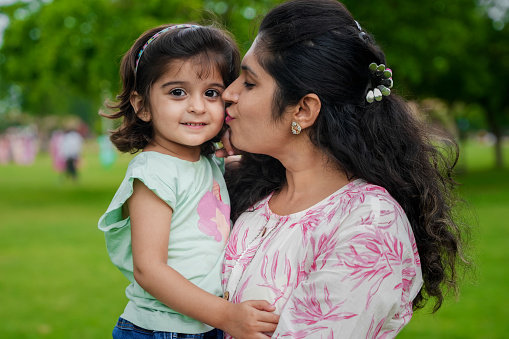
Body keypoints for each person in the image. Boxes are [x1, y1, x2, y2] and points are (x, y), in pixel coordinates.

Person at [218, 0, 470, 337]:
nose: (228, 94)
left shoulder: (369, 225)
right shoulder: (252, 194)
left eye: (249, 84)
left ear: (303, 110)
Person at [98, 24, 279, 339]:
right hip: (161, 329)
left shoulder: (205, 164)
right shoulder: (153, 172)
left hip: (202, 326)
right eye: (177, 92)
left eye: (211, 93)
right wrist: (227, 316)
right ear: (142, 106)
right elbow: (149, 269)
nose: (197, 106)